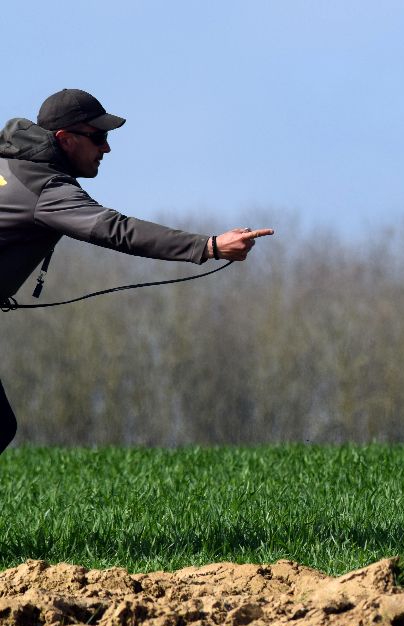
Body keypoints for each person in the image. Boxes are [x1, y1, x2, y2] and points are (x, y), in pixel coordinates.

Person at [0, 89, 274, 453]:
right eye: (98, 137)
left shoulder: (8, 166)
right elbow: (117, 230)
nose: (106, 148)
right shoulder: (45, 189)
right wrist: (207, 246)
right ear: (65, 140)